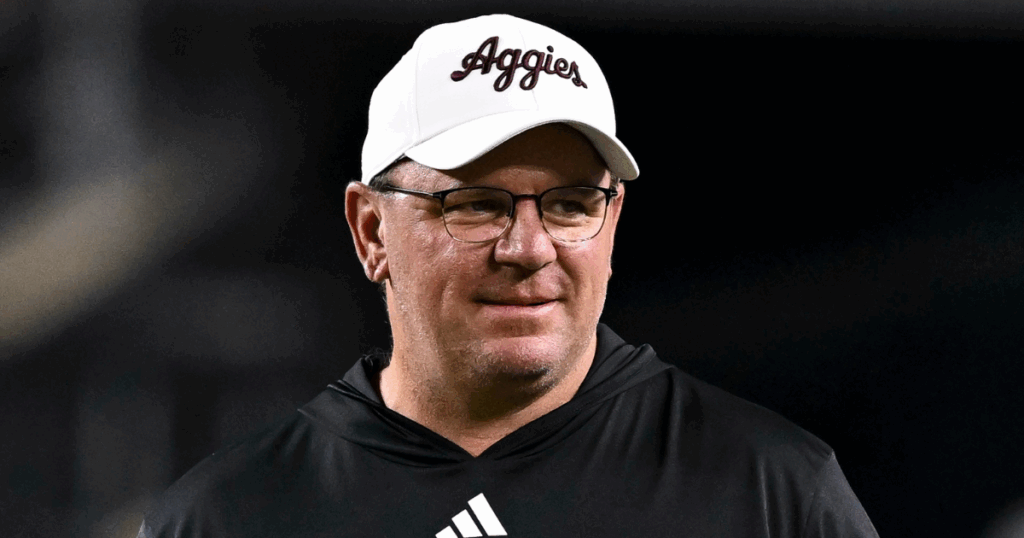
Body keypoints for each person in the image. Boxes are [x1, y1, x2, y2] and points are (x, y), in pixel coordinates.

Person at [139, 14, 880, 538]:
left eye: (569, 204)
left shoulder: (772, 493)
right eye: (476, 204)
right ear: (371, 231)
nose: (529, 248)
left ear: (612, 224)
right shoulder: (224, 518)